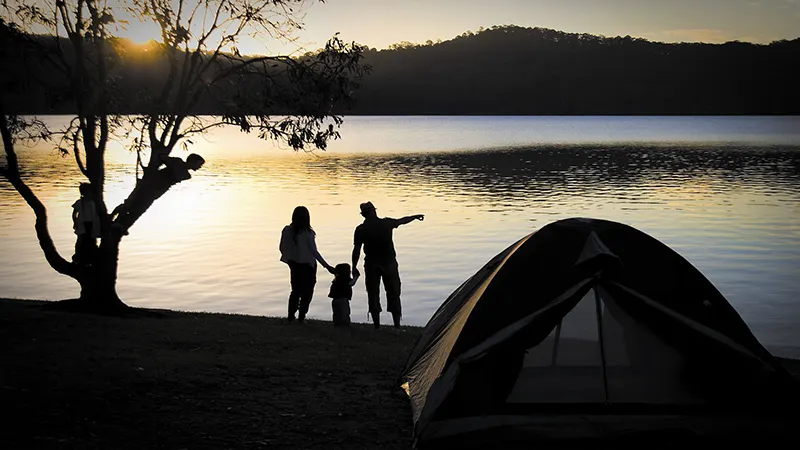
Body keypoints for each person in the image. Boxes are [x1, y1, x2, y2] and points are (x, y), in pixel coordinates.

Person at [351, 201, 424, 329]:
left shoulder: (361, 229)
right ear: (374, 211)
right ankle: (396, 326)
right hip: (389, 262)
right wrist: (415, 217)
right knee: (394, 293)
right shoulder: (386, 223)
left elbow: (357, 250)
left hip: (371, 264)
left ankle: (377, 327)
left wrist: (354, 266)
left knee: (373, 293)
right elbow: (402, 221)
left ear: (363, 215)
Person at [279, 206, 335, 322]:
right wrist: (327, 266)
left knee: (295, 290)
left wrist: (289, 260)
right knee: (308, 292)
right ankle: (301, 316)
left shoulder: (287, 230)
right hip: (308, 266)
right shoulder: (308, 233)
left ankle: (291, 316)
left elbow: (282, 247)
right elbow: (314, 252)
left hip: (294, 264)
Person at [71, 182, 101, 265]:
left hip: (92, 224)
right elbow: (74, 214)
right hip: (82, 224)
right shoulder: (79, 202)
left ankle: (91, 258)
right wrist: (75, 222)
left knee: (91, 241)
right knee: (81, 241)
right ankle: (78, 258)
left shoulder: (94, 202)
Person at [328, 263, 360, 327]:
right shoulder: (346, 279)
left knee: (336, 314)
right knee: (345, 313)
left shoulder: (336, 280)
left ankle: (337, 325)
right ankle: (345, 325)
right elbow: (351, 283)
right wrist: (356, 277)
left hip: (335, 300)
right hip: (343, 300)